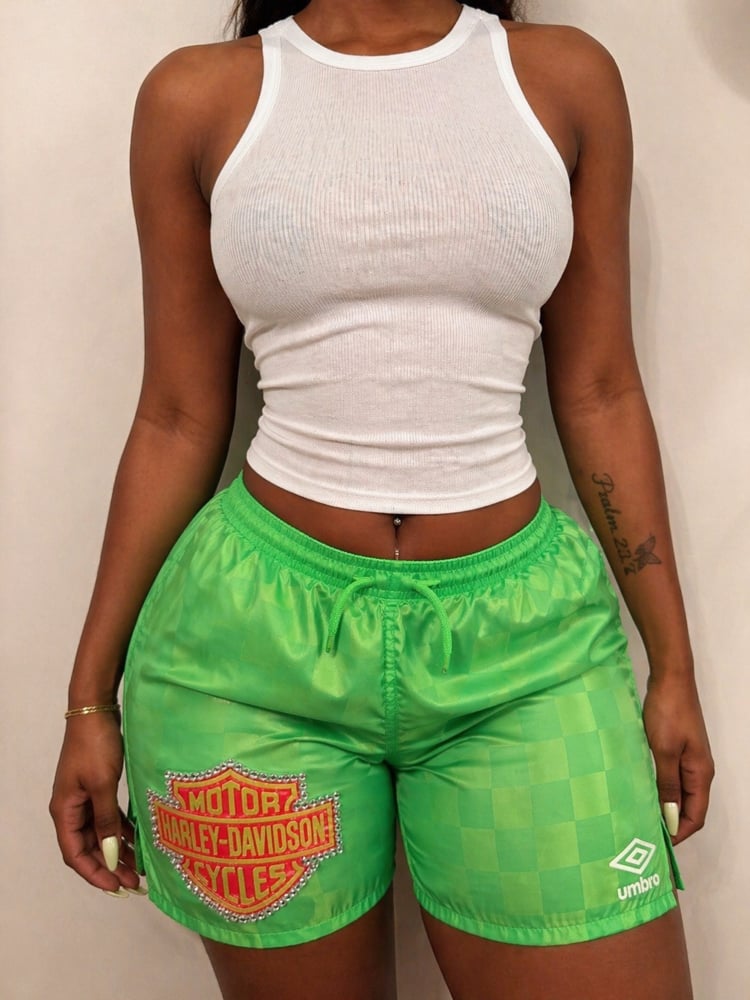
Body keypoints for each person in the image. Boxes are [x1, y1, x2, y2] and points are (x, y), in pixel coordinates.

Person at [49, 1, 714, 997]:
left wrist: (674, 665)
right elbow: (177, 417)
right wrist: (88, 698)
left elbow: (601, 391)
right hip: (249, 658)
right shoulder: (198, 96)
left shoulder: (563, 78)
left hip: (525, 651)